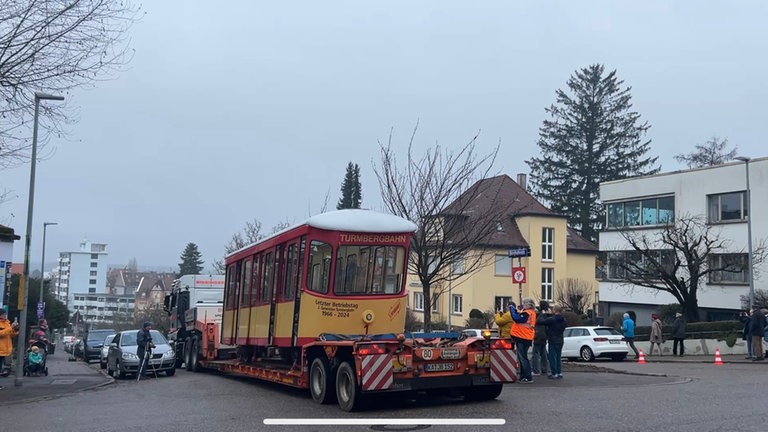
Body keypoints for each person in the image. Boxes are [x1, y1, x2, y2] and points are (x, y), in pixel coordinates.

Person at [510, 298, 537, 383]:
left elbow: (516, 318)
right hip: (526, 337)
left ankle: (527, 377)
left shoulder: (527, 313)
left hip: (522, 337)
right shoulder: (532, 313)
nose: (523, 305)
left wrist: (511, 308)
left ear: (528, 305)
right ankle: (523, 376)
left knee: (523, 358)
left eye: (524, 303)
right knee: (523, 357)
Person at [540, 305, 566, 379]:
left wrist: (544, 314)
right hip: (560, 339)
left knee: (552, 357)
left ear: (555, 310)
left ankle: (554, 373)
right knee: (558, 357)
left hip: (553, 339)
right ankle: (559, 372)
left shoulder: (552, 319)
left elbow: (541, 322)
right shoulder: (563, 320)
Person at [0, 310, 20, 388]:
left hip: (4, 349)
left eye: (5, 314)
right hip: (1, 348)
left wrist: (15, 329)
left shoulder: (7, 323)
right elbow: (1, 334)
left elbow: (10, 335)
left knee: (0, 367)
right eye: (3, 314)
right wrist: (10, 328)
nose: (5, 316)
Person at [531, 300, 550, 376]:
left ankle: (536, 370)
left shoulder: (541, 315)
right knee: (544, 353)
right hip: (544, 336)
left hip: (538, 336)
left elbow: (538, 321)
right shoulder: (548, 315)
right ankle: (544, 369)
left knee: (535, 354)